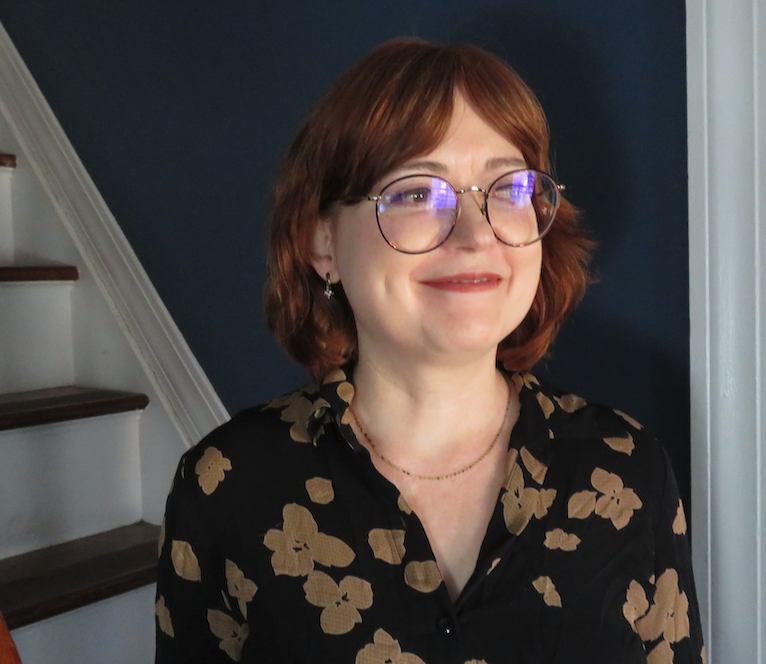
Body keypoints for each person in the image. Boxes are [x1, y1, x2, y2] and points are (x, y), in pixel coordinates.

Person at [155, 38, 704, 664]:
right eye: (419, 192)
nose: (476, 236)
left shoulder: (629, 470)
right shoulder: (226, 486)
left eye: (508, 187)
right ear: (322, 242)